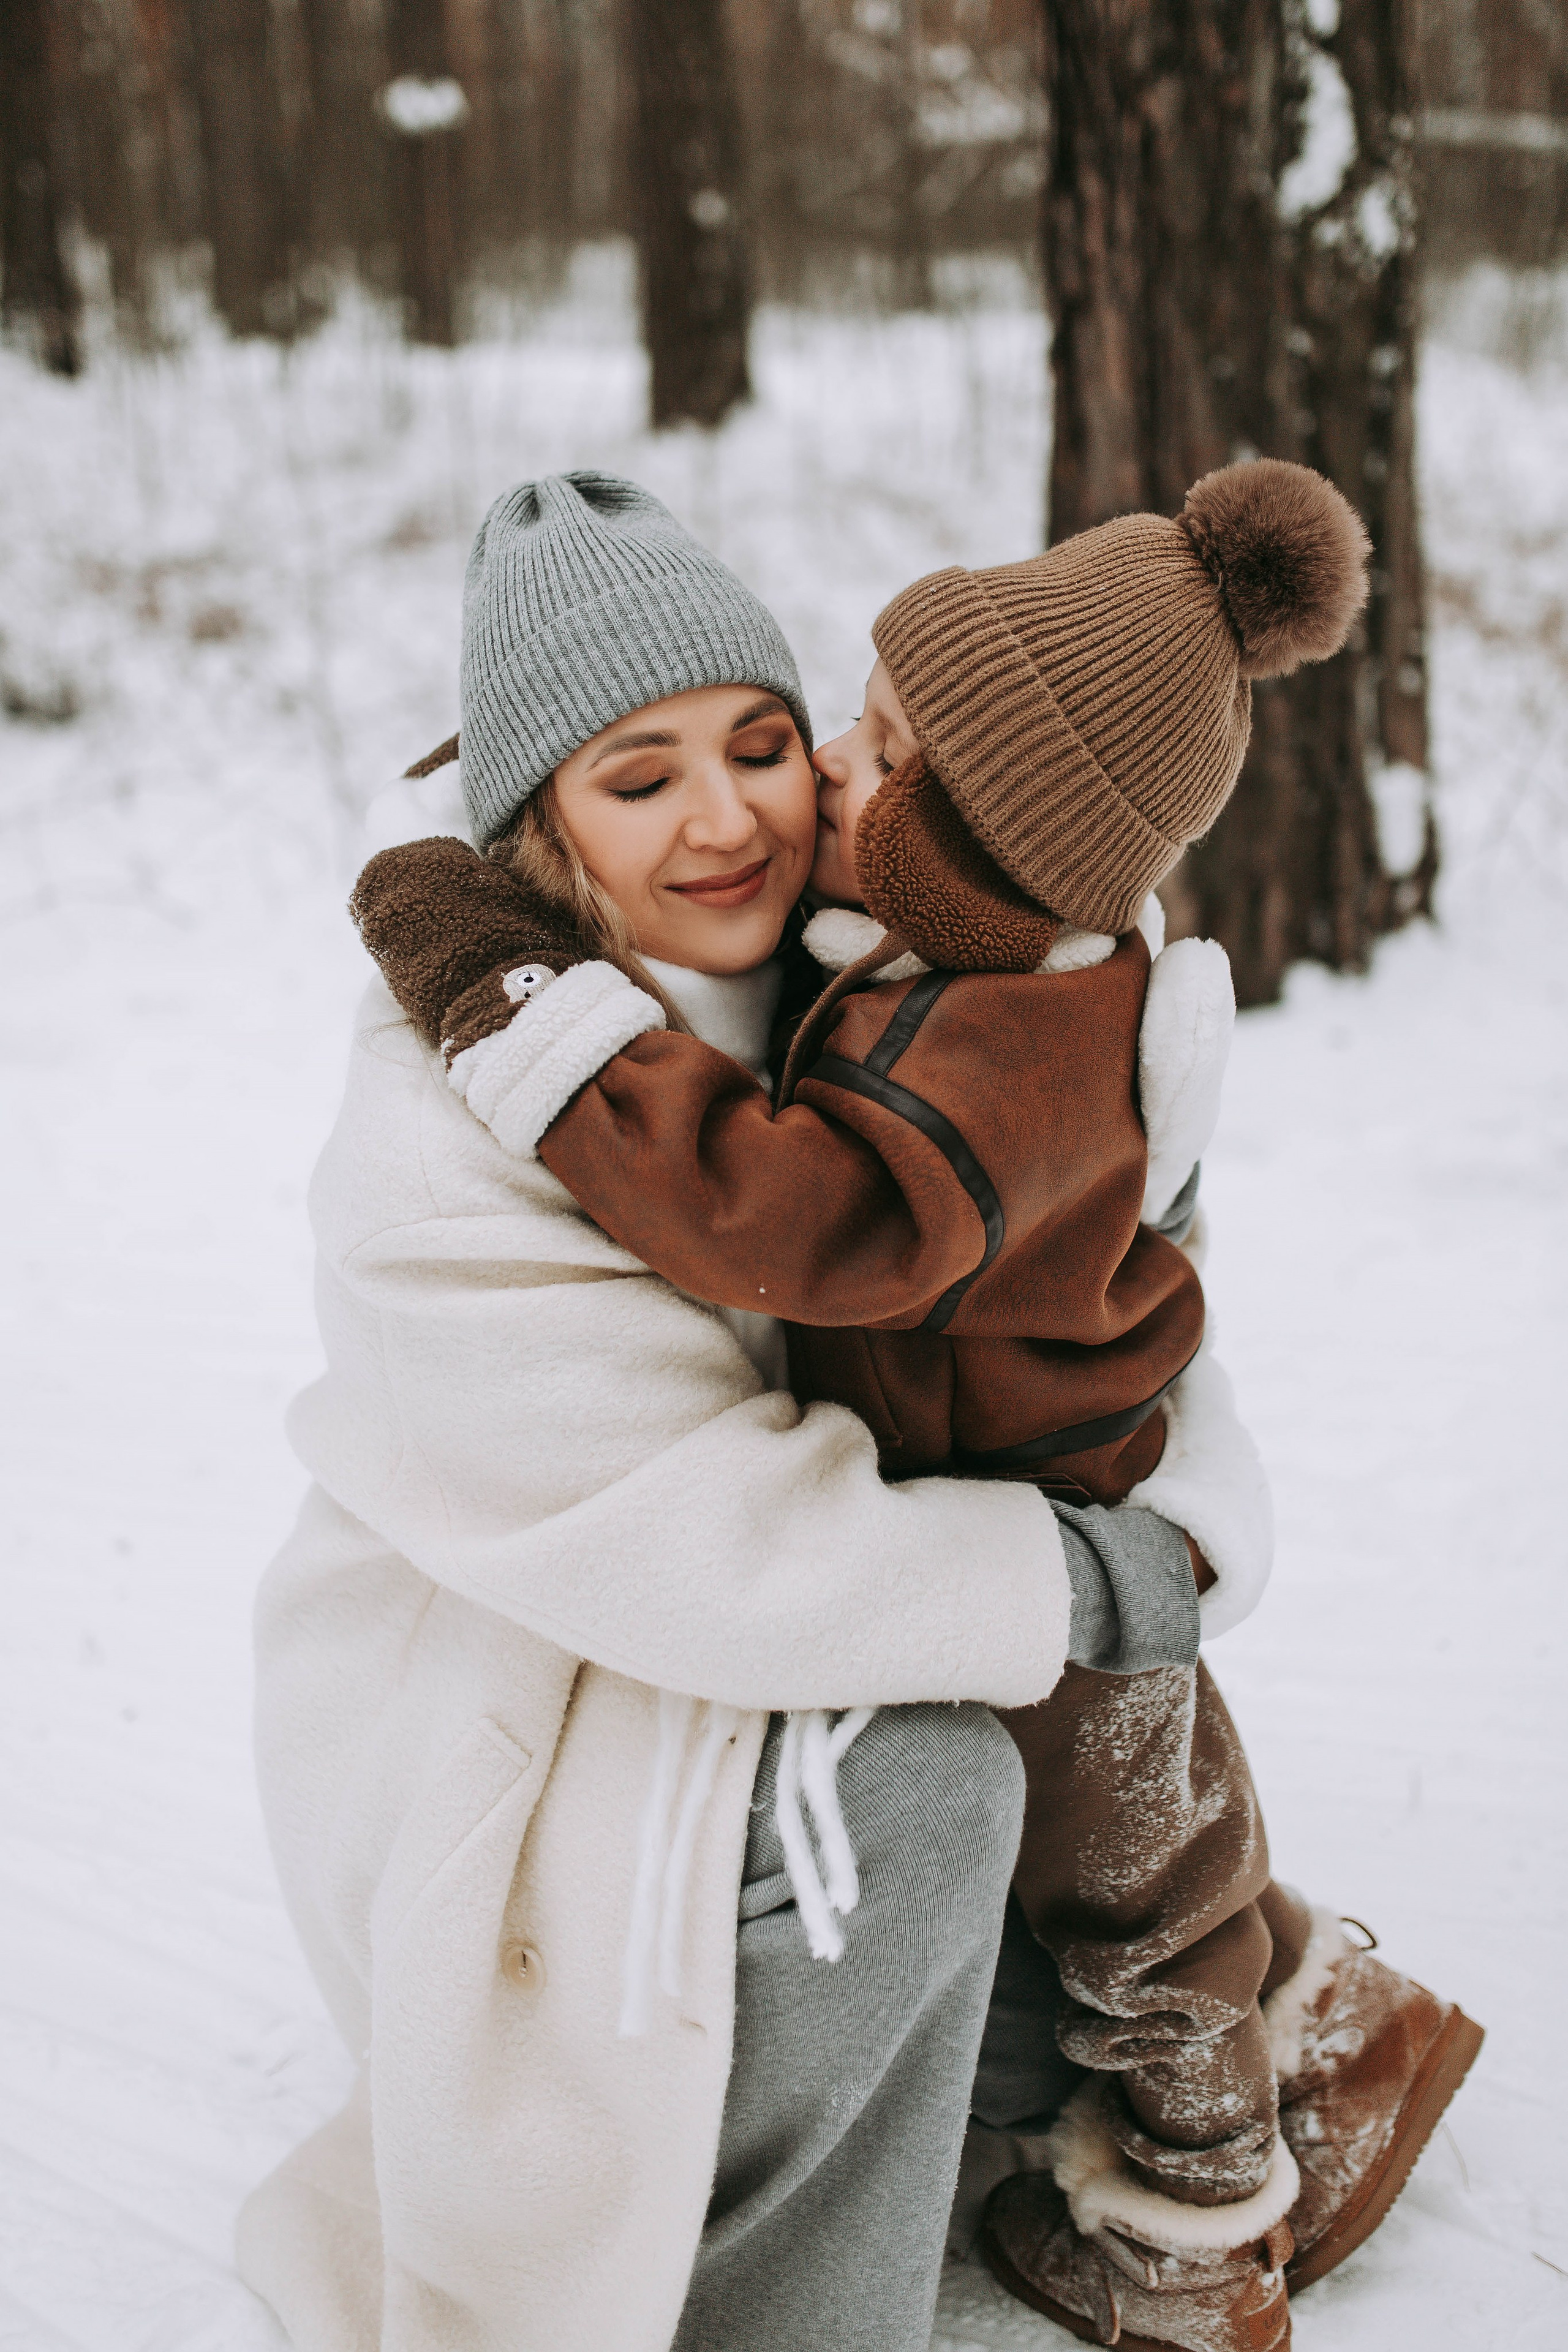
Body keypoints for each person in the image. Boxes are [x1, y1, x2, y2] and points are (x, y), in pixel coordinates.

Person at [352, 470, 1482, 2352]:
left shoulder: (966, 1042)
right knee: (1104, 1862)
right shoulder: (945, 963)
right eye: (639, 778)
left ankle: (1201, 2233)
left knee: (1137, 1909)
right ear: (536, 813)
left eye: (791, 747)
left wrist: (520, 1007)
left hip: (1020, 1546)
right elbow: (681, 1528)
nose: (750, 815)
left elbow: (775, 1209)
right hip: (609, 1659)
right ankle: (1301, 2069)